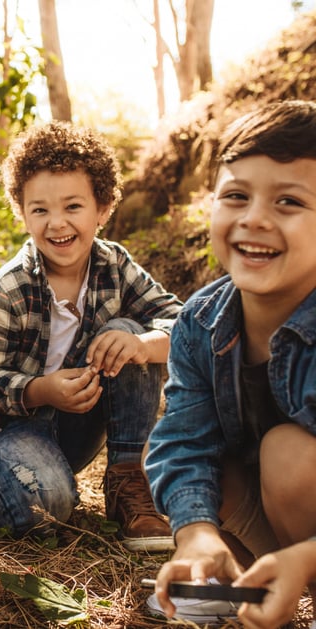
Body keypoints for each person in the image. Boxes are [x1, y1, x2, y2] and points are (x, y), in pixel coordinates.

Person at [0, 121, 182, 550]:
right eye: (40, 210)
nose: (57, 224)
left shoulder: (115, 265)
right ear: (22, 214)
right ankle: (22, 484)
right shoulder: (7, 288)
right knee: (47, 508)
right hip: (2, 432)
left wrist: (144, 344)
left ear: (103, 208)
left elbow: (184, 323)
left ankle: (127, 478)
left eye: (73, 206)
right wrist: (40, 390)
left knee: (127, 333)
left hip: (75, 426)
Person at [144, 100, 316, 629]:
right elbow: (184, 441)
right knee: (204, 463)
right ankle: (247, 593)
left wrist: (306, 560)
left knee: (287, 456)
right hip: (278, 520)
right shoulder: (201, 319)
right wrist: (196, 534)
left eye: (289, 201)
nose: (254, 218)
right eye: (236, 196)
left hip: (303, 507)